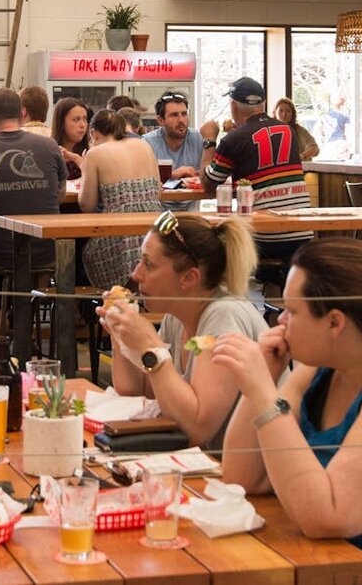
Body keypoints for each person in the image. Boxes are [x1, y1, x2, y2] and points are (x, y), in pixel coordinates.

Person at [216, 237, 362, 548]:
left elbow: (327, 517)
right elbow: (243, 475)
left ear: (334, 321)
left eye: (291, 311)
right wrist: (265, 377)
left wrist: (263, 394)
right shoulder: (317, 371)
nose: (280, 321)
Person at [97, 210, 267, 449]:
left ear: (189, 278)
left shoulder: (223, 316)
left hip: (246, 479)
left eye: (148, 264)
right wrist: (120, 335)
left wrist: (150, 347)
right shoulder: (178, 315)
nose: (136, 274)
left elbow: (197, 428)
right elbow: (136, 392)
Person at [0, 88, 67, 338]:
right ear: (22, 113)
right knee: (32, 261)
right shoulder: (50, 146)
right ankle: (25, 316)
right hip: (46, 250)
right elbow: (60, 194)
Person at [201, 76, 312, 270]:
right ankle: (276, 291)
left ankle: (236, 295)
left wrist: (209, 140)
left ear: (233, 106)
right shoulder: (288, 131)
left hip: (264, 236)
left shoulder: (233, 140)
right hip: (303, 231)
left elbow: (208, 182)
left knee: (211, 243)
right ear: (264, 104)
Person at [79, 109, 162, 290]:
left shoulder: (96, 153)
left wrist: (85, 168)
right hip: (156, 229)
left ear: (93, 133)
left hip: (119, 234)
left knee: (86, 252)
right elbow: (158, 191)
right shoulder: (144, 145)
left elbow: (87, 205)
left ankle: (92, 309)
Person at [142, 91, 216, 211]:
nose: (181, 120)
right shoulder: (147, 143)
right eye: (174, 115)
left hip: (192, 215)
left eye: (184, 114)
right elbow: (141, 184)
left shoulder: (199, 138)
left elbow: (213, 177)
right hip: (158, 214)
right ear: (160, 120)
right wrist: (173, 175)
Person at [51, 97, 89, 180]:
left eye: (85, 119)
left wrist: (75, 158)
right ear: (61, 123)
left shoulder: (91, 152)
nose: (83, 125)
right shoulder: (50, 153)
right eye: (76, 120)